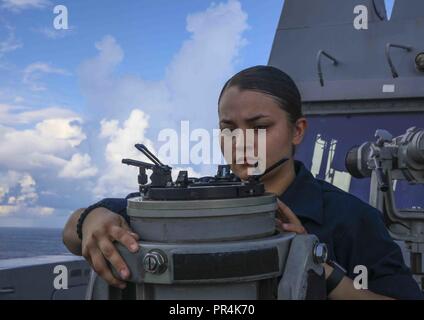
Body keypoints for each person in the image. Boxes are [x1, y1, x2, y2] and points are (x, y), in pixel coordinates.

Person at [63, 65, 423, 300]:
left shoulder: (349, 219)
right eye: (228, 128)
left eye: (260, 126)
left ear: (297, 131)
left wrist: (317, 266)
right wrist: (91, 220)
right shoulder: (190, 203)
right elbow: (73, 231)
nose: (242, 141)